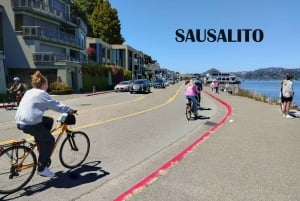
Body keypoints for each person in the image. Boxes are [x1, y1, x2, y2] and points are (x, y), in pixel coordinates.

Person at [15, 71, 77, 177]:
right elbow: (57, 105)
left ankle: (40, 142)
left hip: (20, 121)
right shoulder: (42, 93)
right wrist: (70, 110)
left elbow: (37, 104)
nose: (47, 85)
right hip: (31, 123)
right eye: (47, 83)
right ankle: (42, 168)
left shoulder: (29, 92)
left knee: (48, 120)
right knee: (50, 141)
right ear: (43, 84)